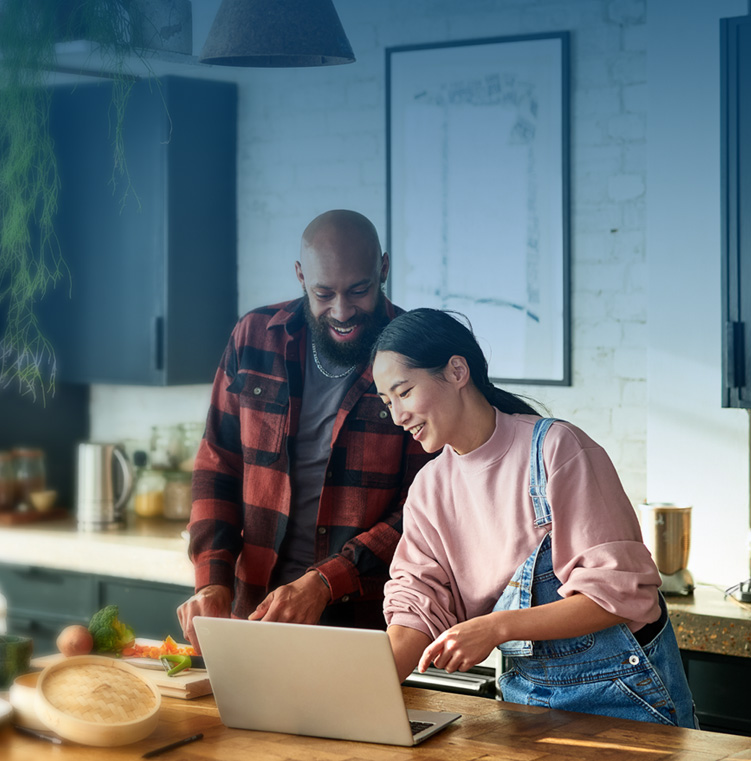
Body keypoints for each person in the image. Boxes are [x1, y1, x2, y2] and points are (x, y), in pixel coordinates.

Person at [373, 308, 697, 728]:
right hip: (525, 702)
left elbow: (619, 596)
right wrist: (359, 696)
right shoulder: (428, 490)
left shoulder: (555, 449)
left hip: (626, 699)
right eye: (387, 402)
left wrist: (495, 628)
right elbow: (416, 607)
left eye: (404, 392)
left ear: (456, 371)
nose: (397, 416)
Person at [178, 210, 428, 649]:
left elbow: (425, 506)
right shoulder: (254, 338)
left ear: (383, 269)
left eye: (359, 290)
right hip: (256, 613)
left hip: (366, 623)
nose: (343, 311)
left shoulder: (415, 357)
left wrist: (326, 581)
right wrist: (212, 580)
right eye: (324, 292)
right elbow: (218, 465)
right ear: (299, 276)